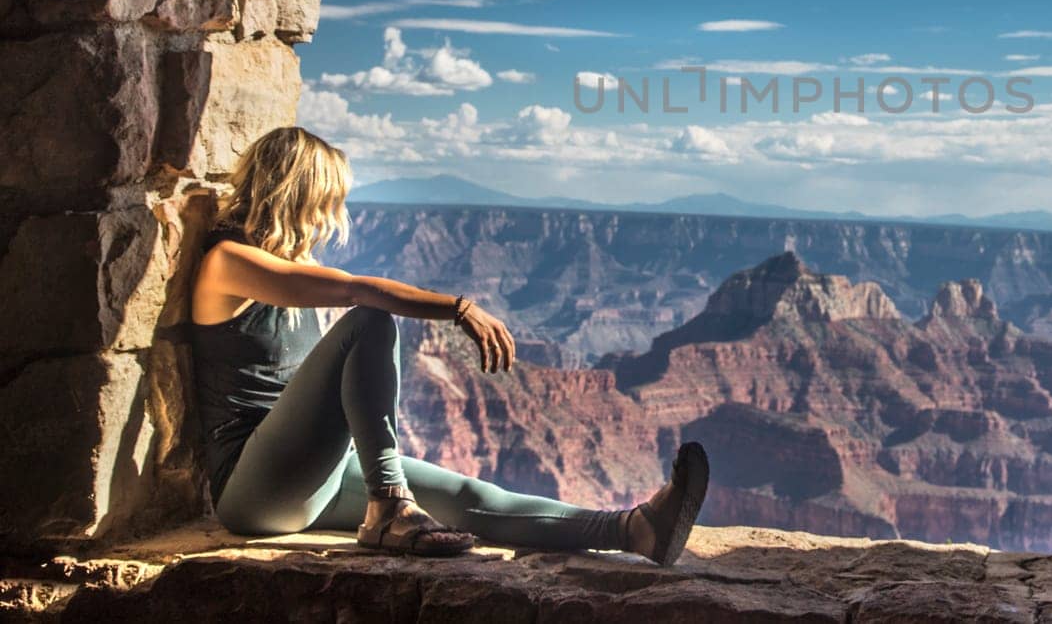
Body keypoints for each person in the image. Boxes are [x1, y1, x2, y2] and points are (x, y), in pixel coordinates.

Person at [188, 126, 709, 560]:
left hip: (303, 476)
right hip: (253, 489)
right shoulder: (228, 263)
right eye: (328, 200)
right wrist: (456, 307)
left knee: (468, 497)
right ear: (299, 194)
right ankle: (389, 503)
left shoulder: (288, 266)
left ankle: (635, 531)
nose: (331, 215)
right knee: (370, 321)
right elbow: (356, 291)